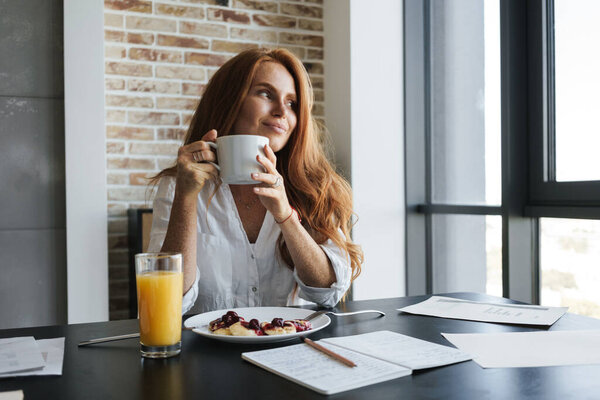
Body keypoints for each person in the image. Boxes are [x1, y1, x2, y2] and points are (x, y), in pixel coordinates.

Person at [148, 48, 363, 314]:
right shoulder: (177, 186)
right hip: (208, 351)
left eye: (292, 103)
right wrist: (186, 198)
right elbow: (167, 302)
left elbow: (330, 291)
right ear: (230, 101)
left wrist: (285, 215)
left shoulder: (314, 186)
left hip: (291, 348)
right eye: (265, 93)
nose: (282, 112)